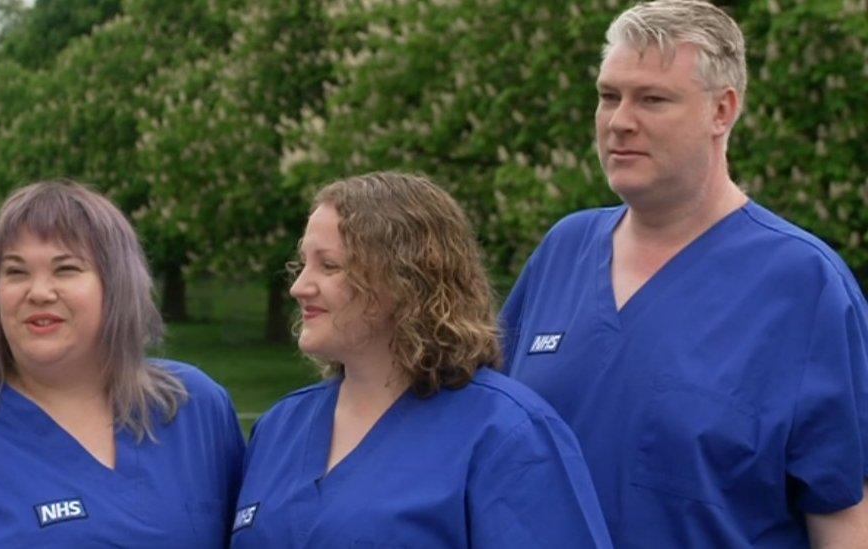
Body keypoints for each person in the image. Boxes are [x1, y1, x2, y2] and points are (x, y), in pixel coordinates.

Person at [501, 1, 868, 547]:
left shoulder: (803, 286)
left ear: (722, 111)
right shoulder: (564, 252)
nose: (620, 121)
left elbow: (842, 518)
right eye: (609, 96)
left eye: (652, 99)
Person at [230, 172, 612, 548]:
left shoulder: (506, 433)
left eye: (328, 266)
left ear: (405, 280)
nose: (298, 287)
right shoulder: (280, 429)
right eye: (302, 266)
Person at [0, 181, 245, 547]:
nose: (39, 292)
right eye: (16, 272)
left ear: (117, 285)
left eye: (66, 269)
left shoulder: (194, 409)